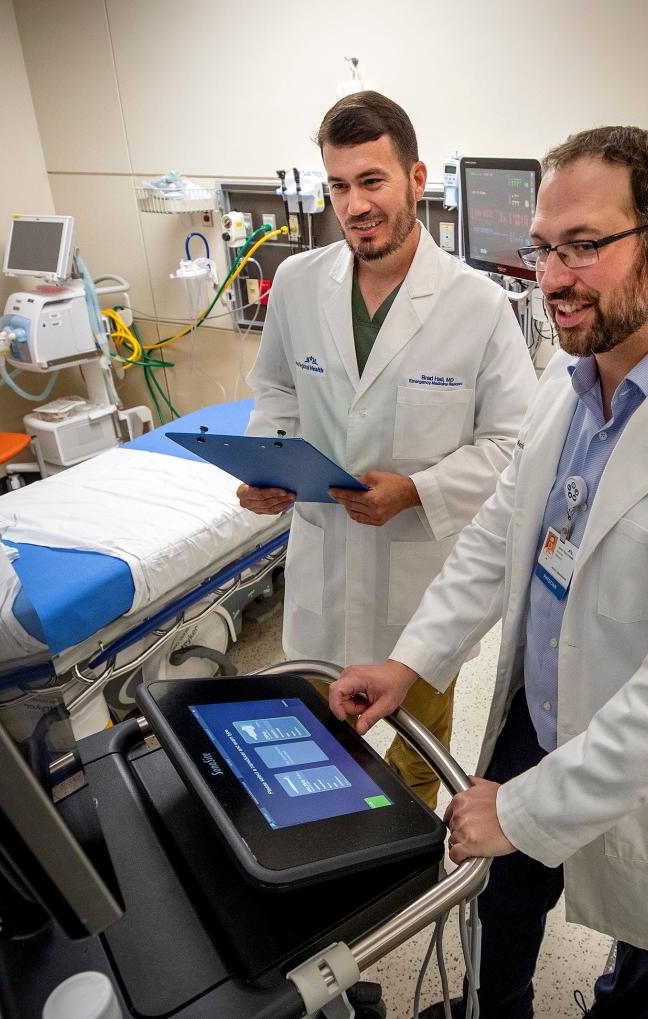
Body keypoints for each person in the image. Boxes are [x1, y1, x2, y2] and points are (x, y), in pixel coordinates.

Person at [329, 126, 648, 1018]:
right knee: (504, 905)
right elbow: (496, 538)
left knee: (646, 935)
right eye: (545, 249)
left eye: (584, 247)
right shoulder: (566, 387)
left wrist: (525, 811)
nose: (551, 278)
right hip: (543, 710)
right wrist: (411, 662)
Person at [239, 92, 536, 808]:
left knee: (414, 763)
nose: (353, 205)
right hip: (321, 573)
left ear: (415, 178)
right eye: (338, 186)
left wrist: (417, 490)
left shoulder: (478, 306)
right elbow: (276, 390)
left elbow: (517, 446)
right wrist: (268, 463)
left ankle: (402, 882)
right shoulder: (301, 285)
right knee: (312, 756)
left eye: (371, 181)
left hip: (421, 588)